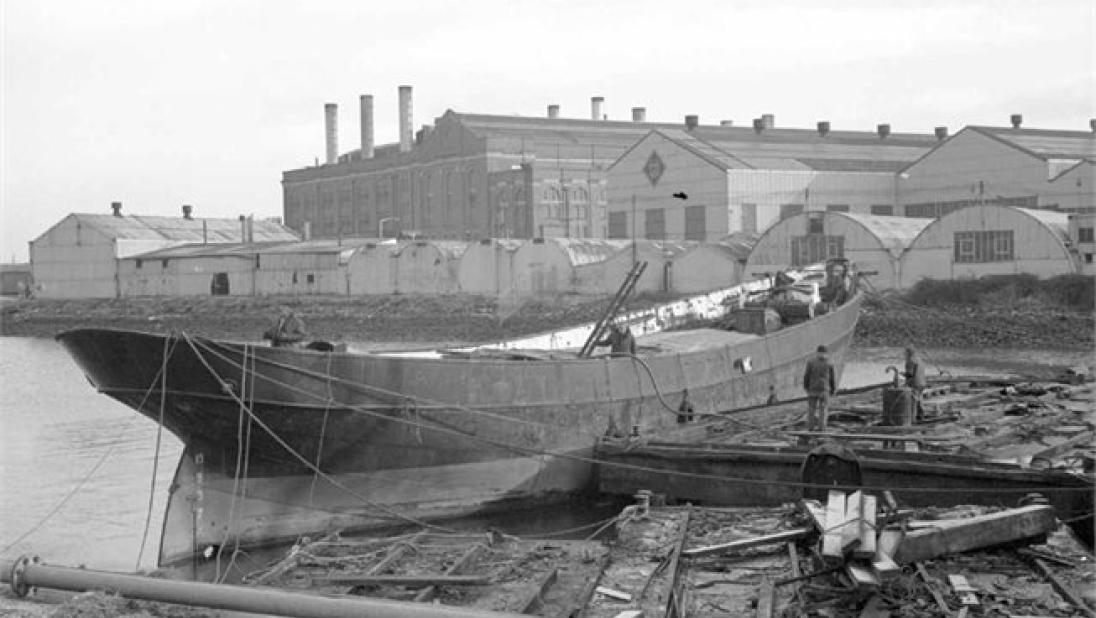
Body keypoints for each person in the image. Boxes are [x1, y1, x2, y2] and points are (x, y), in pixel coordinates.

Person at [802, 345, 836, 433]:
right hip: (824, 390)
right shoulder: (829, 363)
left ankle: (810, 427)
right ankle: (821, 428)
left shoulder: (810, 362)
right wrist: (833, 389)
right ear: (826, 353)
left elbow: (807, 375)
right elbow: (832, 378)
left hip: (812, 389)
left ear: (817, 352)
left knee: (811, 409)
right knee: (823, 409)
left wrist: (806, 386)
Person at [903, 346, 927, 421]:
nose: (904, 354)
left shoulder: (910, 361)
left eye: (905, 353)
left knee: (913, 401)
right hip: (922, 383)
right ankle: (921, 416)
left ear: (908, 353)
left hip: (915, 383)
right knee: (919, 399)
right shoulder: (919, 360)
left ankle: (913, 419)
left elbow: (910, 374)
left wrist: (904, 376)